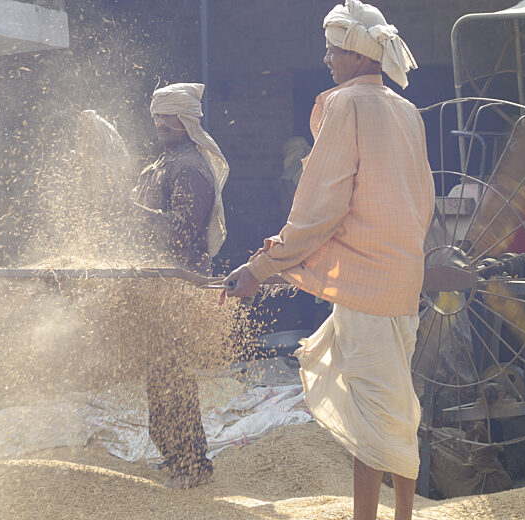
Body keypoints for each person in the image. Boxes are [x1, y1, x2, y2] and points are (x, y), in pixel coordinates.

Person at [224, 2, 433, 519]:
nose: (327, 60)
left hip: (367, 288)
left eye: (332, 50)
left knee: (372, 418)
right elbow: (423, 198)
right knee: (394, 409)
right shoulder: (406, 111)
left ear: (358, 55)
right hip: (404, 281)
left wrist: (260, 267)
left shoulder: (346, 106)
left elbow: (319, 209)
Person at [131, 82, 229, 488]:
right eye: (156, 116)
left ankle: (193, 466)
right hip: (161, 287)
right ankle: (175, 457)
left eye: (167, 117)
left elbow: (180, 232)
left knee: (174, 376)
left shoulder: (188, 166)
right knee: (161, 374)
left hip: (180, 288)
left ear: (187, 120)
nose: (159, 123)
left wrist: (130, 212)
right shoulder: (167, 160)